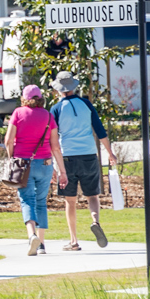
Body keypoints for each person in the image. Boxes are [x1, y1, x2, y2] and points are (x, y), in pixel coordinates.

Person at [50, 71, 115, 251]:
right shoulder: (86, 104)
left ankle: (74, 241)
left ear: (59, 89)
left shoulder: (56, 109)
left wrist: (51, 162)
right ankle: (95, 221)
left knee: (70, 201)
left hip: (67, 157)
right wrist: (110, 152)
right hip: (88, 154)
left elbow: (52, 137)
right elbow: (100, 130)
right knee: (92, 195)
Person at [5, 85, 68, 256]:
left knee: (27, 200)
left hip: (23, 165)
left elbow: (8, 140)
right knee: (41, 201)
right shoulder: (48, 116)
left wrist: (11, 159)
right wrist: (62, 171)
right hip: (45, 165)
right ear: (40, 98)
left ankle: (31, 235)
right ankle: (41, 244)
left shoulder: (18, 113)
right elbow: (55, 147)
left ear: (24, 98)